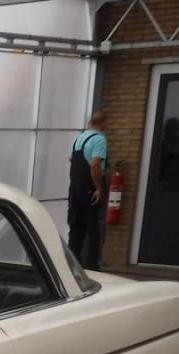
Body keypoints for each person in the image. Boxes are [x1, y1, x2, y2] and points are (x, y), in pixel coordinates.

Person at [67, 111, 108, 269]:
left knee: (76, 227)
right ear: (103, 123)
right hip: (89, 188)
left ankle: (73, 264)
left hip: (74, 188)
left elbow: (72, 160)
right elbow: (95, 165)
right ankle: (91, 266)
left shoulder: (79, 138)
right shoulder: (99, 139)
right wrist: (99, 188)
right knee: (93, 228)